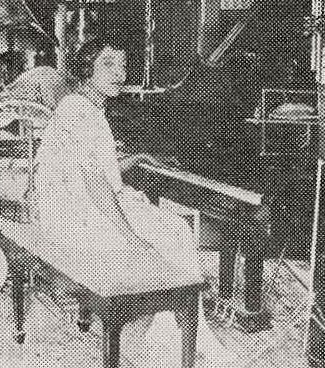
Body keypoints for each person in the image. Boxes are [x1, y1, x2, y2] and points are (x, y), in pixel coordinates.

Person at [33, 37, 202, 281]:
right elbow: (96, 184)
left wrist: (138, 157)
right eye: (108, 64)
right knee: (176, 231)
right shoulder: (79, 111)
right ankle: (170, 298)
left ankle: (167, 296)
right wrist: (132, 238)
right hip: (72, 220)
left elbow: (98, 170)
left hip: (78, 209)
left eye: (122, 66)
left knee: (171, 228)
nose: (119, 74)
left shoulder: (84, 105)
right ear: (87, 67)